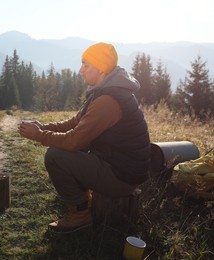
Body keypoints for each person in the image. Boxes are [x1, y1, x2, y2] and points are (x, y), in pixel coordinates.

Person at [18, 42, 151, 233]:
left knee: (55, 156)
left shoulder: (108, 100)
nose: (81, 70)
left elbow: (74, 140)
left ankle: (80, 214)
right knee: (67, 150)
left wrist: (38, 135)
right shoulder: (104, 90)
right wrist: (42, 127)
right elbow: (75, 123)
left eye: (86, 65)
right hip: (117, 166)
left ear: (102, 68)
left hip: (121, 177)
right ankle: (83, 199)